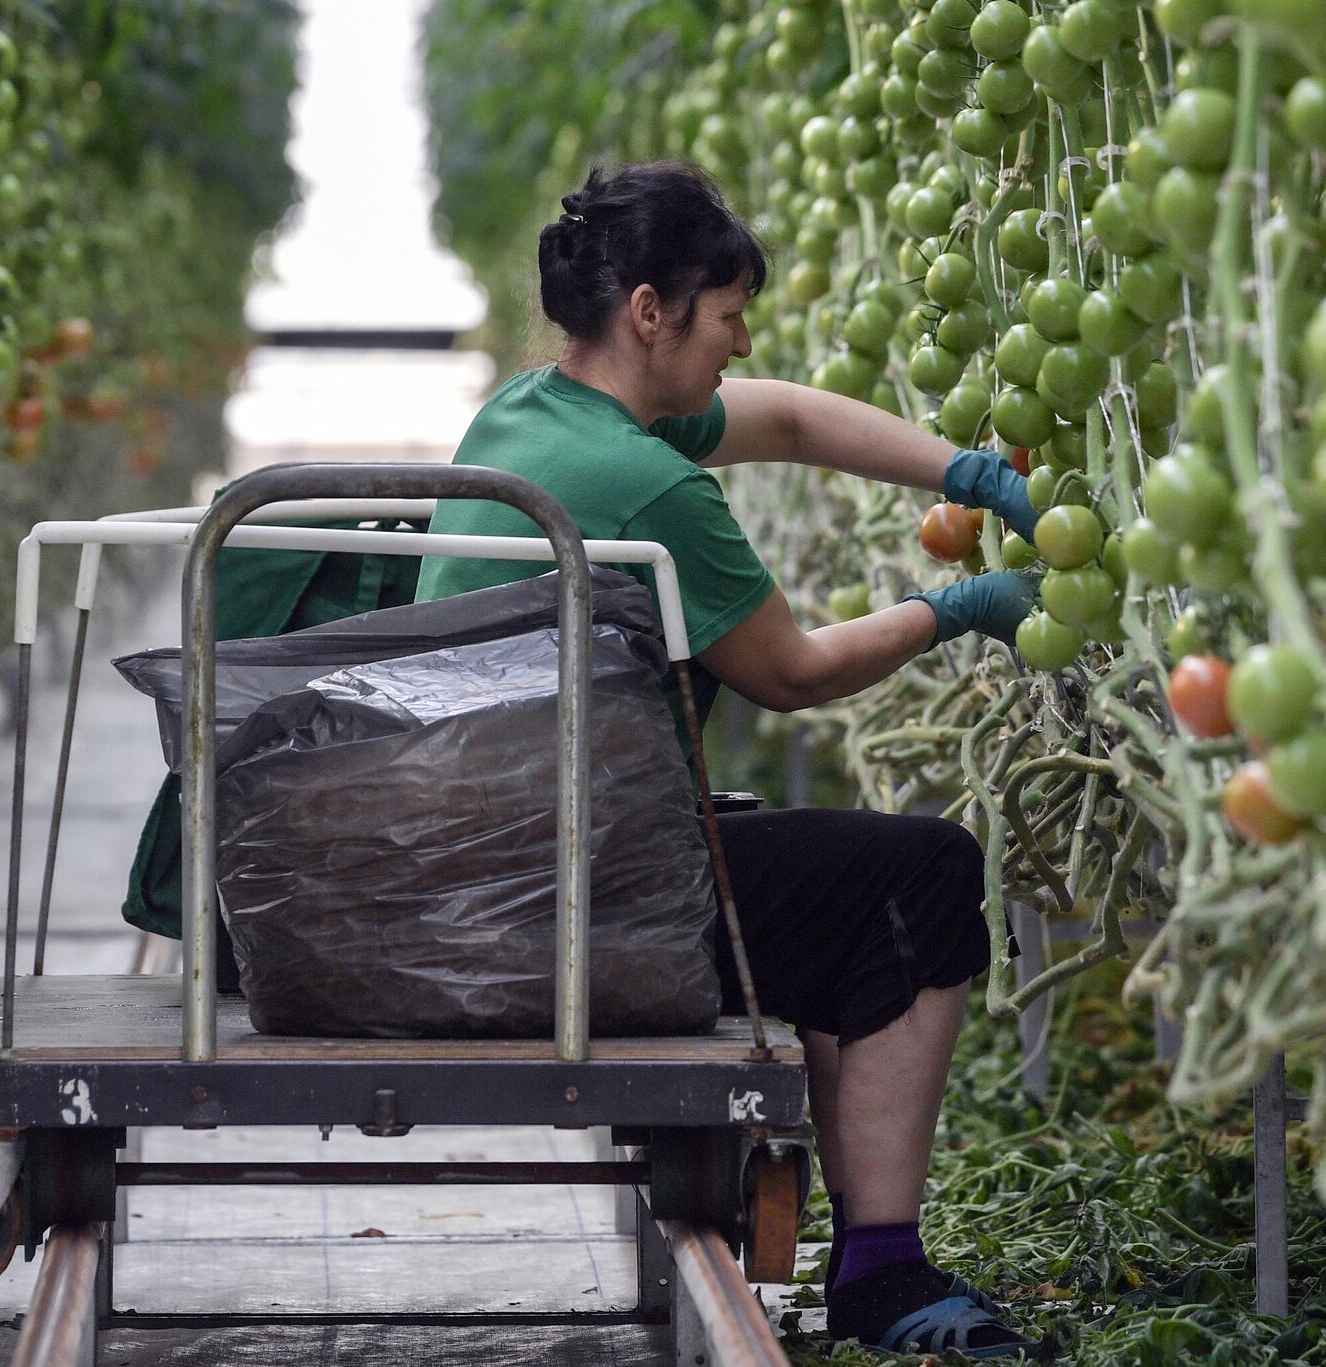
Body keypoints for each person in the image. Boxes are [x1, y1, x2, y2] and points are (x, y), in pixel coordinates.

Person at [415, 160, 1040, 1359]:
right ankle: (880, 1270)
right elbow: (792, 673)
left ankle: (862, 1241)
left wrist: (967, 474)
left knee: (808, 865)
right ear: (651, 311)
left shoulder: (532, 412)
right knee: (919, 875)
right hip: (572, 908)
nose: (741, 339)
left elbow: (794, 417)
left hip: (479, 861)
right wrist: (958, 607)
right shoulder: (647, 484)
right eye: (728, 313)